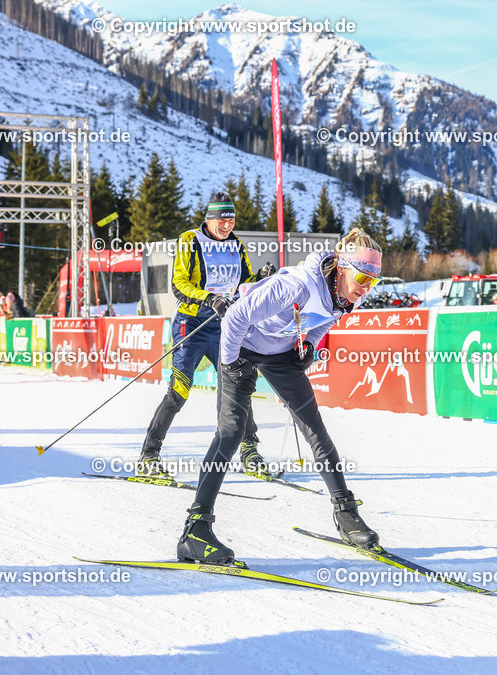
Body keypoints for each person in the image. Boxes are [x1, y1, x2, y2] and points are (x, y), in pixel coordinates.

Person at [175, 228, 383, 564]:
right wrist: (229, 363)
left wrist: (308, 344)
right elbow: (235, 318)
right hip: (241, 347)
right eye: (362, 277)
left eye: (373, 281)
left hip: (281, 353)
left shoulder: (346, 295)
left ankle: (346, 515)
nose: (365, 287)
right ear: (342, 268)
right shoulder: (297, 285)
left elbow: (326, 321)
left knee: (315, 428)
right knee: (231, 432)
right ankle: (195, 531)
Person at [138, 191, 277, 478]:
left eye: (231, 220)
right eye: (221, 220)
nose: (227, 225)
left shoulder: (237, 246)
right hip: (191, 324)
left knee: (237, 385)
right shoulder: (190, 240)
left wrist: (261, 277)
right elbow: (178, 284)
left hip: (223, 326)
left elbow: (244, 284)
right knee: (180, 389)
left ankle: (249, 450)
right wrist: (209, 298)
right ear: (209, 219)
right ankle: (149, 455)